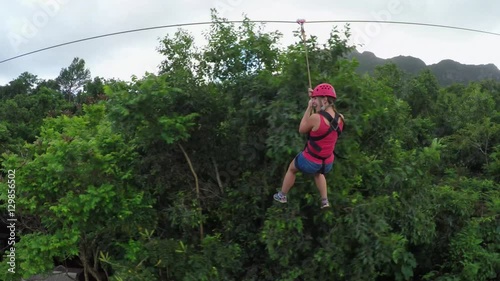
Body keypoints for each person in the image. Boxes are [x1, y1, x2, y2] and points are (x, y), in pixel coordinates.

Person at [273, 83, 344, 209]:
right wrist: (315, 100)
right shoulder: (341, 119)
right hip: (327, 163)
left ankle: (282, 195)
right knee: (319, 173)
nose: (314, 101)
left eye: (316, 99)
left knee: (292, 168)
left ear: (325, 100)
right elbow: (325, 122)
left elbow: (302, 129)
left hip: (310, 161)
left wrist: (309, 107)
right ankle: (324, 200)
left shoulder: (316, 118)